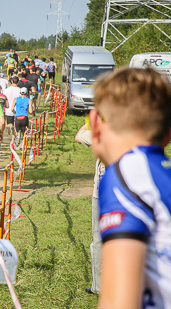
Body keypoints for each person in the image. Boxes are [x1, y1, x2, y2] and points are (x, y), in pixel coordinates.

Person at [89, 67, 171, 308]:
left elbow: (119, 301)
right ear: (168, 134)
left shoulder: (126, 174)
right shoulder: (159, 174)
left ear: (95, 123)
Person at [75, 118, 105, 296]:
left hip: (104, 192)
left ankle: (99, 286)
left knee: (100, 239)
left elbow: (78, 136)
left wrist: (90, 121)